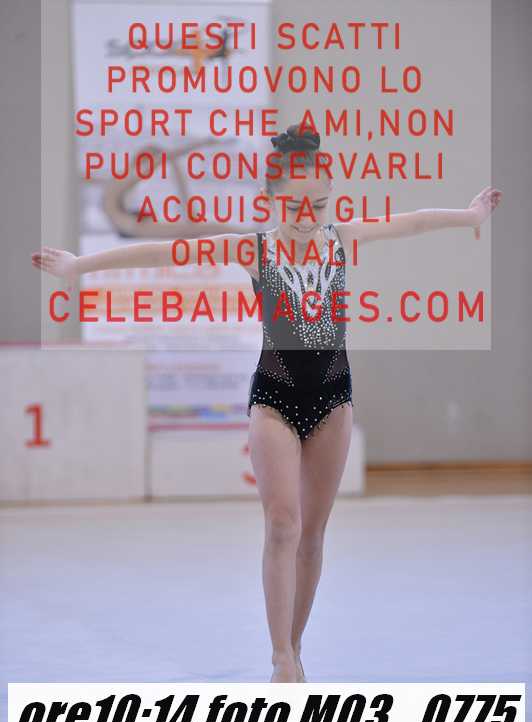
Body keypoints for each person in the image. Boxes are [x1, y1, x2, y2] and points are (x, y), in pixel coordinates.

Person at [32, 122, 502, 683]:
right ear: (272, 199)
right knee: (282, 523)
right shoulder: (253, 249)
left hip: (334, 398)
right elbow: (166, 249)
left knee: (313, 533)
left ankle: (295, 647)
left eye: (320, 204)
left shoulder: (341, 240)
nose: (309, 216)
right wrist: (78, 267)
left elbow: (414, 221)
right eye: (296, 205)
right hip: (274, 399)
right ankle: (280, 657)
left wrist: (469, 217)